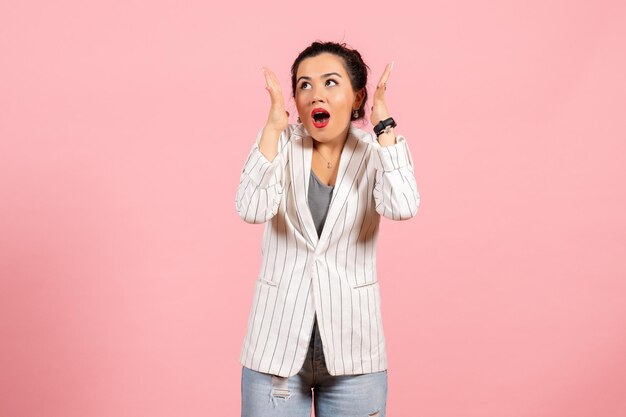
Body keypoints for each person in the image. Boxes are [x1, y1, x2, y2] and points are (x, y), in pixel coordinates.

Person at [235, 41, 420, 417]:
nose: (315, 93)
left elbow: (403, 206)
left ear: (357, 98)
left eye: (330, 82)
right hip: (276, 346)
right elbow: (251, 209)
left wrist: (383, 121)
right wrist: (272, 127)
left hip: (354, 350)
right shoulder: (280, 146)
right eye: (304, 85)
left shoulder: (375, 153)